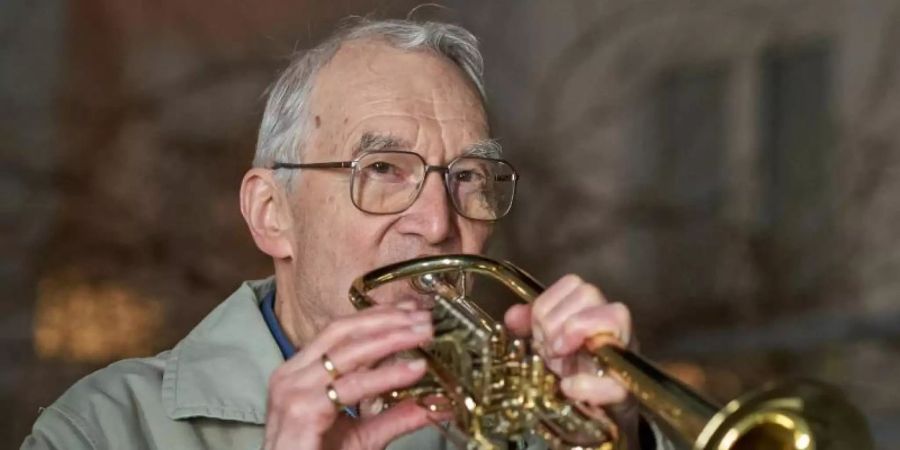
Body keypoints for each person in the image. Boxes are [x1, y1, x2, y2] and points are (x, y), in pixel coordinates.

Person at [22, 18, 666, 450]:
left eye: (468, 176)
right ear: (272, 212)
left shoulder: (536, 426)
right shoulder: (99, 428)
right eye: (383, 170)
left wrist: (620, 436)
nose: (439, 224)